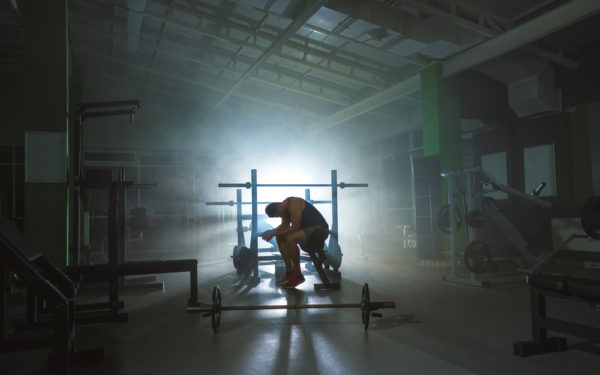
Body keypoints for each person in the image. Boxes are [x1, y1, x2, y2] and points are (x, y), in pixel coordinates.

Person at [261, 197, 329, 288]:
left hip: (320, 230)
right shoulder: (284, 210)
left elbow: (295, 228)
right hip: (307, 233)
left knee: (290, 238)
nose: (280, 217)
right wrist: (271, 231)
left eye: (279, 215)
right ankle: (289, 272)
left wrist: (272, 233)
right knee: (280, 237)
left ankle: (298, 275)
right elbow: (283, 226)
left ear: (279, 207)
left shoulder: (294, 203)